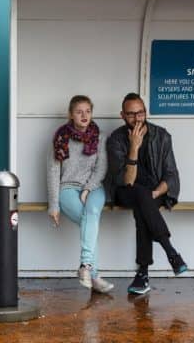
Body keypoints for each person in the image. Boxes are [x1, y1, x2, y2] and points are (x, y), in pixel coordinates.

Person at [106, 92, 187, 295]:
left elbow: (171, 175)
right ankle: (171, 252)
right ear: (122, 115)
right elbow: (127, 180)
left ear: (145, 112)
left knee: (143, 205)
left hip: (154, 190)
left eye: (140, 113)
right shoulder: (115, 139)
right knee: (141, 196)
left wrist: (155, 193)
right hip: (125, 191)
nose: (137, 118)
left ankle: (142, 274)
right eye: (131, 114)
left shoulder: (162, 135)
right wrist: (133, 147)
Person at [47, 95, 114, 294]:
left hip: (93, 187)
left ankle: (85, 267)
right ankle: (93, 274)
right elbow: (52, 171)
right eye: (79, 111)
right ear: (71, 114)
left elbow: (102, 168)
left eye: (88, 111)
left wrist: (87, 189)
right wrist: (54, 205)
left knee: (91, 215)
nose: (84, 115)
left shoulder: (99, 136)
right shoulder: (60, 137)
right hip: (67, 187)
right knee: (89, 222)